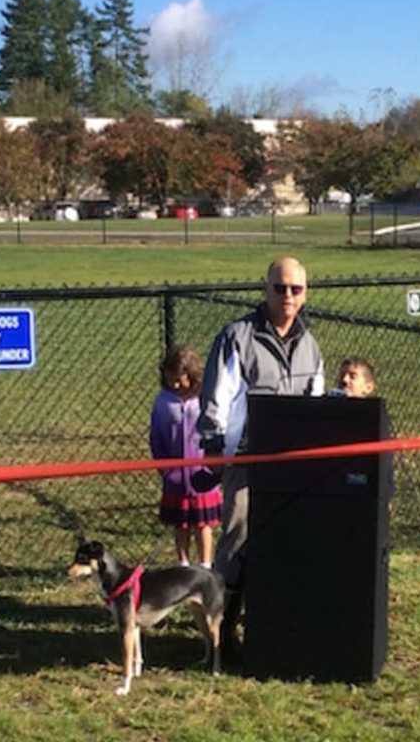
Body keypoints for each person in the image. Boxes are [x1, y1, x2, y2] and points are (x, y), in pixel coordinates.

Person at [196, 256, 324, 654]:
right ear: (265, 289)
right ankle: (220, 633)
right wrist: (216, 451)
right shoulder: (237, 336)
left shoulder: (310, 345)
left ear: (306, 293)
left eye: (296, 289)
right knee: (236, 545)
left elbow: (315, 402)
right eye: (280, 287)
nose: (287, 296)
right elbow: (215, 398)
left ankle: (274, 622)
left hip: (291, 463)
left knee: (285, 542)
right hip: (246, 461)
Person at [149, 345, 222, 568]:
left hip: (202, 472)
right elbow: (156, 436)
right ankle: (183, 564)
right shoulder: (163, 401)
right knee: (180, 524)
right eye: (171, 379)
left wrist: (213, 462)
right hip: (175, 475)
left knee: (203, 524)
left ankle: (205, 565)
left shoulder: (204, 398)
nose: (175, 385)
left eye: (180, 380)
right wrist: (164, 467)